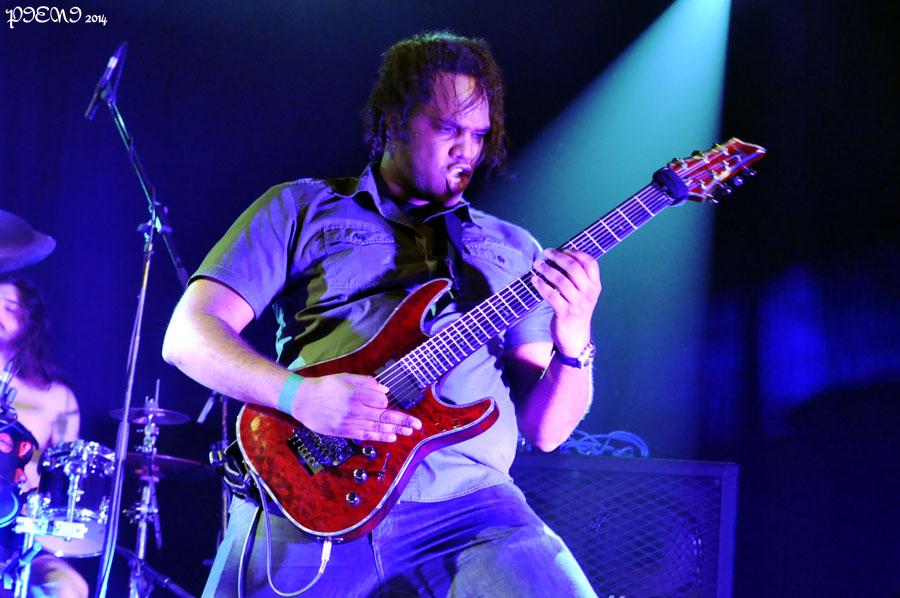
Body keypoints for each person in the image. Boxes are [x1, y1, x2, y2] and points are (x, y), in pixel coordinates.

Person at [163, 31, 600, 596]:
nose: (466, 150)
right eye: (448, 129)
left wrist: (575, 340)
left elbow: (547, 430)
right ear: (395, 119)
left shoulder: (513, 248)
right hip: (314, 485)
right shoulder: (302, 207)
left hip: (472, 508)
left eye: (478, 135)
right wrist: (301, 397)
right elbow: (188, 335)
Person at [0, 276, 88, 598]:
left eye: (10, 308)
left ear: (29, 323)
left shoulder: (57, 398)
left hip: (20, 532)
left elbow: (65, 479)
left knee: (70, 589)